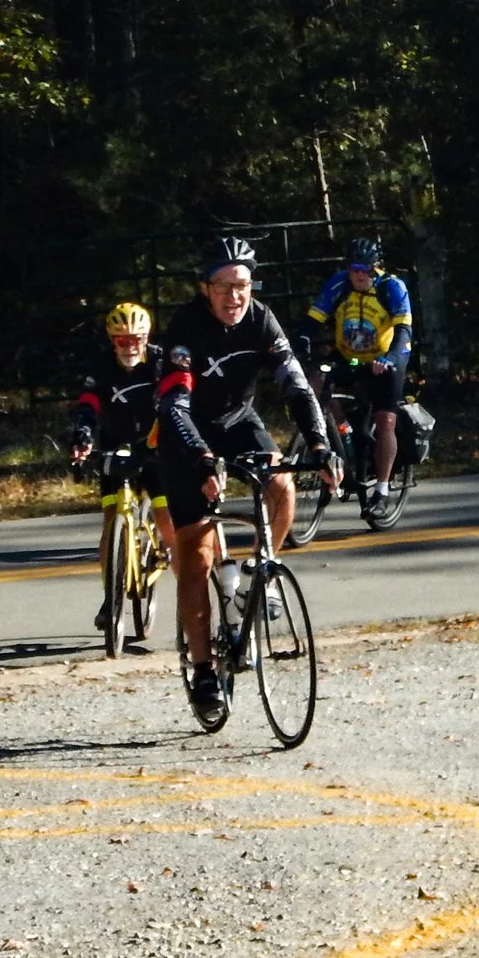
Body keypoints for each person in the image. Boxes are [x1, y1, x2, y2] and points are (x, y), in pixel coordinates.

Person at [157, 237, 339, 712]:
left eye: (242, 285)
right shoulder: (185, 328)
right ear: (204, 288)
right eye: (223, 286)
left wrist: (320, 446)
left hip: (237, 420)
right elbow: (174, 405)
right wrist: (201, 458)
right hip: (187, 433)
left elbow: (296, 386)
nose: (234, 296)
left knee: (281, 483)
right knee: (196, 558)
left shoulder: (261, 319)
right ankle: (203, 672)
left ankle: (260, 573)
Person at [67, 300, 167, 638]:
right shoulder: (101, 366)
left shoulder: (160, 363)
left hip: (153, 445)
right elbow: (89, 403)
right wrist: (83, 434)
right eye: (122, 340)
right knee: (111, 521)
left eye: (136, 339)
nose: (129, 347)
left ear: (146, 338)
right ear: (112, 341)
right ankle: (111, 598)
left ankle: (172, 561)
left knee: (166, 516)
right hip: (114, 444)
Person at [303, 237, 414, 510]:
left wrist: (389, 359)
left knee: (385, 420)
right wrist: (300, 342)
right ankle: (340, 436)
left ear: (375, 268)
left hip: (385, 358)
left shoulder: (392, 287)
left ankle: (382, 490)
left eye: (365, 269)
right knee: (315, 382)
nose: (359, 275)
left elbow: (403, 332)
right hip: (347, 354)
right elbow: (311, 321)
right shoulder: (338, 284)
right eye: (354, 269)